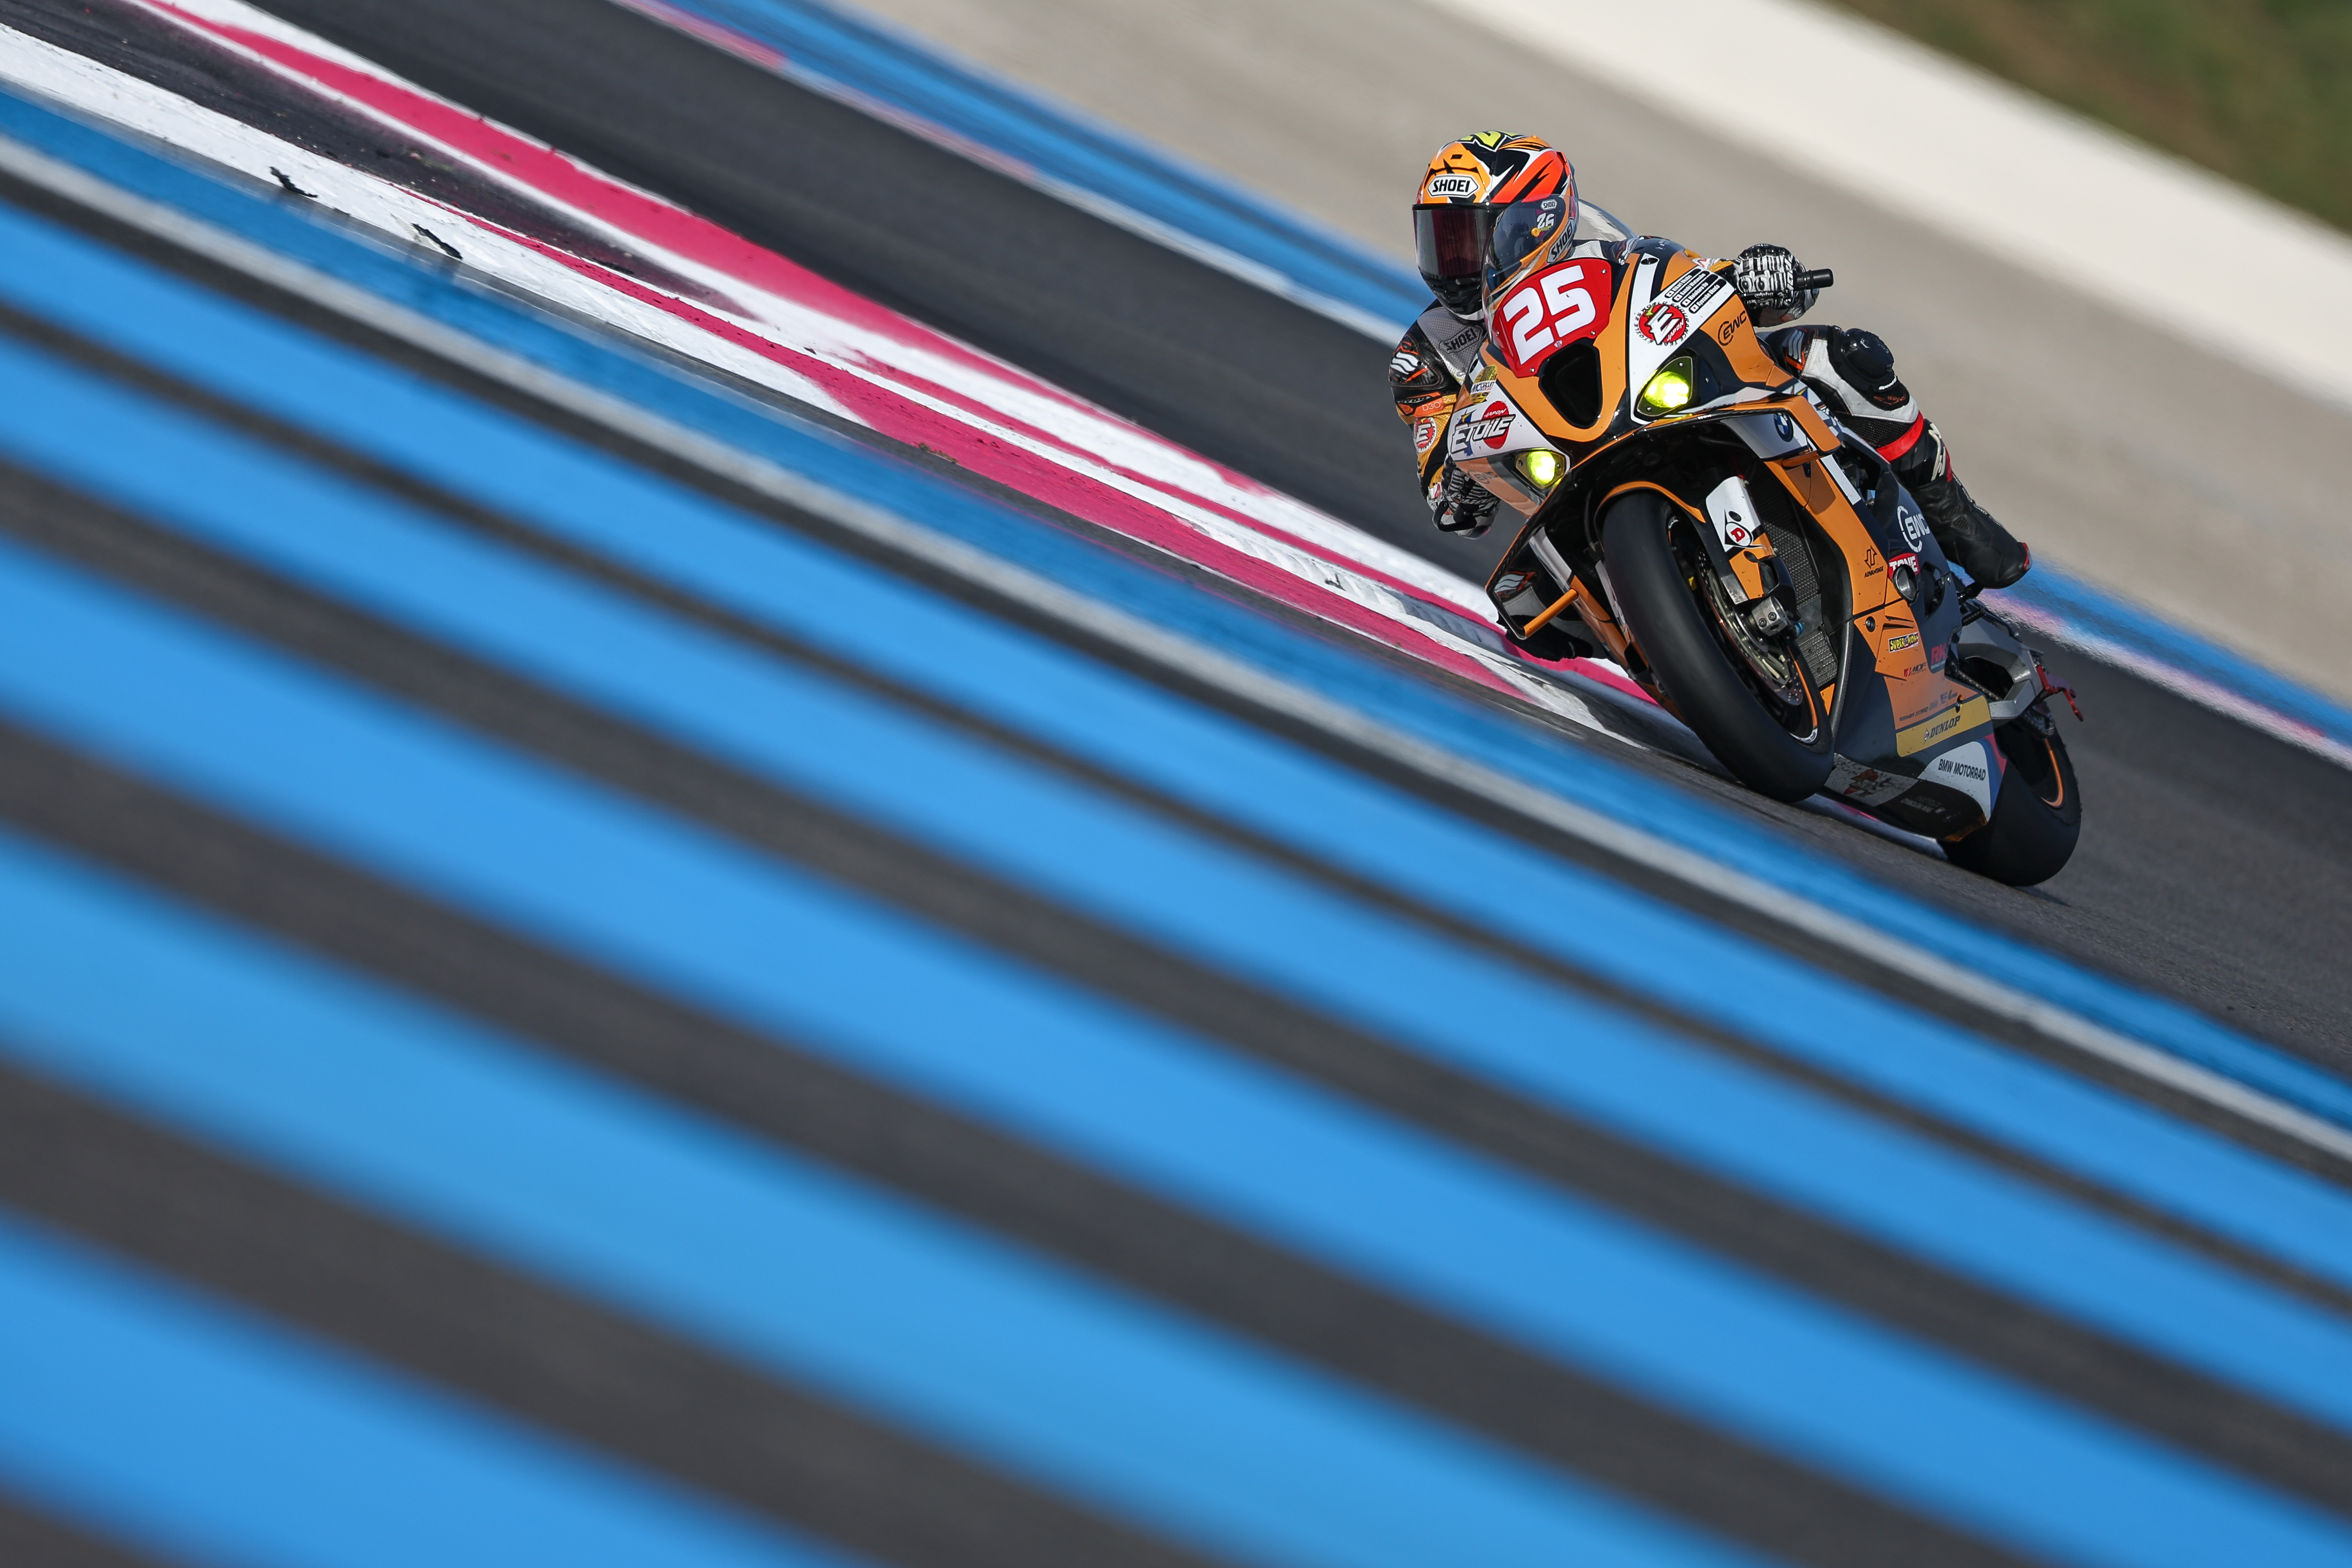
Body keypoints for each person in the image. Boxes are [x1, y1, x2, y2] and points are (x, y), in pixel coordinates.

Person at [1388, 133, 2030, 589]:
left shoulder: (1596, 243)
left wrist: (1760, 279)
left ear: (1534, 223)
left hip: (1652, 405)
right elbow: (1449, 504)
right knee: (1529, 603)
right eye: (1440, 242)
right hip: (1566, 493)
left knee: (1833, 356)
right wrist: (1464, 478)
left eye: (1467, 240)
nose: (1453, 265)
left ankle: (1951, 512)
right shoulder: (1426, 355)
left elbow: (1681, 283)